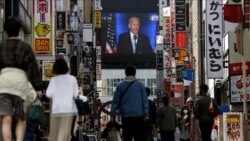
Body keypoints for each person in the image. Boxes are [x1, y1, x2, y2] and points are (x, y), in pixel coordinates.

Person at [0, 17, 43, 141]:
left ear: (5, 30)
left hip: (3, 84)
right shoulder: (25, 47)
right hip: (20, 84)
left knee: (6, 119)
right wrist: (38, 87)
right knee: (21, 118)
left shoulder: (1, 47)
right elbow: (33, 69)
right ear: (19, 31)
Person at [111, 64, 149, 141]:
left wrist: (113, 114)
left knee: (127, 137)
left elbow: (115, 101)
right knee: (139, 137)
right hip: (139, 116)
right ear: (135, 73)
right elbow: (145, 101)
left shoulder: (120, 86)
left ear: (126, 73)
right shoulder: (140, 85)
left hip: (126, 117)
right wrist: (146, 114)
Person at [46, 58, 79, 141]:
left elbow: (48, 94)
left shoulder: (53, 80)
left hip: (56, 110)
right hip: (69, 109)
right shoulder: (72, 79)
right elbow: (76, 95)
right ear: (66, 67)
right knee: (64, 135)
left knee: (54, 135)